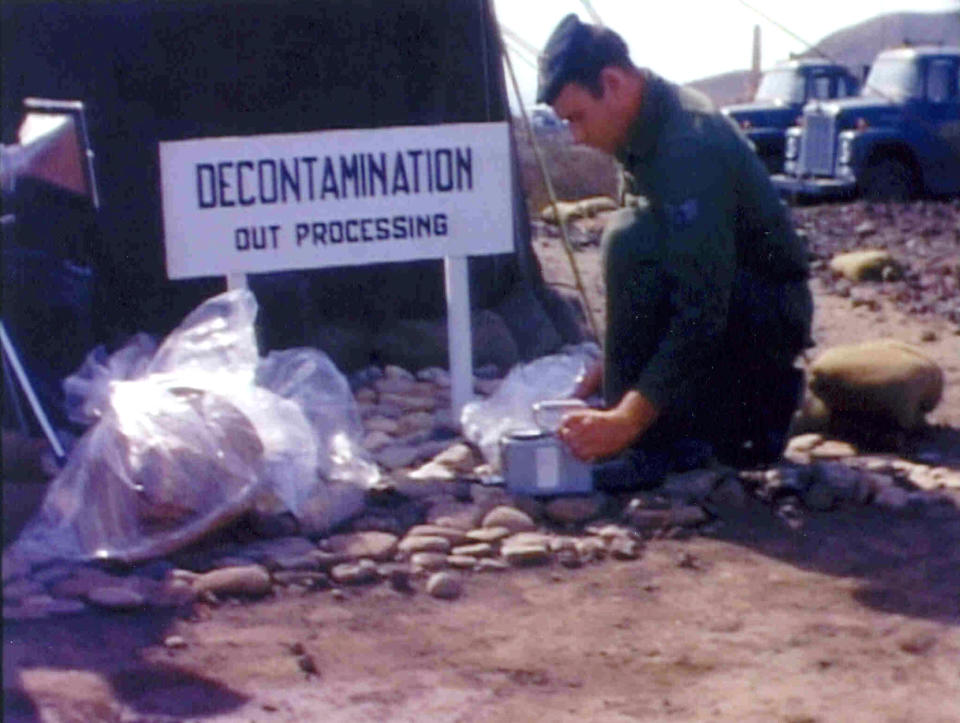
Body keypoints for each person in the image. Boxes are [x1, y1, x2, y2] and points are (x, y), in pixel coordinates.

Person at [538, 15, 813, 486]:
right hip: (729, 308)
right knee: (632, 237)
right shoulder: (644, 126)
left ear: (613, 83)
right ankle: (661, 429)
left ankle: (661, 444)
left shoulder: (688, 144)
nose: (577, 137)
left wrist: (627, 420)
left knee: (629, 240)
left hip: (760, 319)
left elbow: (702, 308)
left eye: (578, 118)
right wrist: (612, 368)